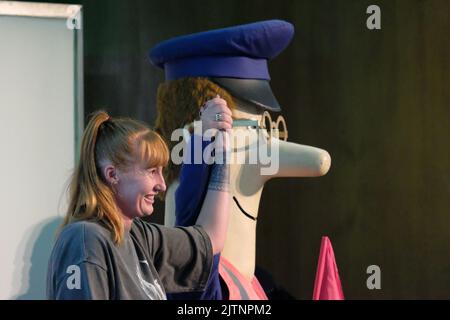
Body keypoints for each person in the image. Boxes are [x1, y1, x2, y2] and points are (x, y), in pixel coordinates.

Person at [46, 96, 232, 300]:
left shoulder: (138, 235)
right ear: (112, 175)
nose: (161, 185)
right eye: (152, 171)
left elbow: (211, 238)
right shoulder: (85, 239)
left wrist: (218, 148)